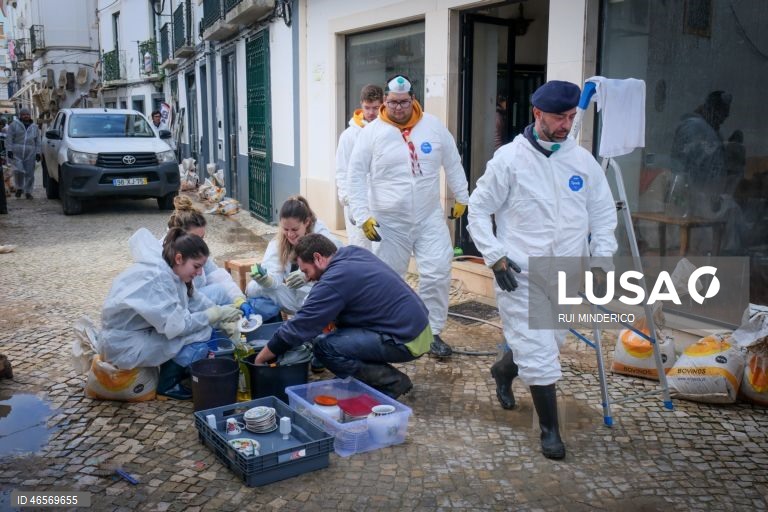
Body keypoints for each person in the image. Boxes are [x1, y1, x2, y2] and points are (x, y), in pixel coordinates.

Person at [467, 80, 618, 459]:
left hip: (567, 271)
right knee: (538, 351)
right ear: (537, 114)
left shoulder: (582, 162)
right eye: (559, 117)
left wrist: (601, 261)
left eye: (571, 117)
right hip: (522, 272)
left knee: (551, 342)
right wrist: (495, 256)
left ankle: (504, 370)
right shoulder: (509, 160)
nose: (567, 125)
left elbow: (602, 214)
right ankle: (550, 431)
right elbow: (478, 210)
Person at [347, 74, 470, 358]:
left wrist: (462, 196)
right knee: (388, 279)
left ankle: (432, 332)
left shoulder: (433, 126)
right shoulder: (371, 133)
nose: (398, 108)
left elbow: (453, 162)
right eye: (392, 102)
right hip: (389, 222)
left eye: (403, 102)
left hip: (428, 218)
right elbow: (355, 175)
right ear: (385, 101)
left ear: (413, 99)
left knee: (438, 272)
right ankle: (389, 329)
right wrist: (362, 215)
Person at [254, 233, 432, 398]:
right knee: (330, 331)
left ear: (318, 258)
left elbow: (300, 325)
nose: (307, 278)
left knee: (325, 347)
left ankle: (391, 383)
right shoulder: (352, 253)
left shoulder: (334, 280)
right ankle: (361, 378)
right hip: (418, 327)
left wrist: (261, 358)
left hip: (406, 339)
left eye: (306, 271)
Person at [100, 227, 243, 399]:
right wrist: (214, 315)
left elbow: (196, 300)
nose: (199, 273)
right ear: (179, 258)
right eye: (196, 266)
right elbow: (178, 326)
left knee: (204, 327)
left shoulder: (173, 270)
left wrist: (221, 318)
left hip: (138, 333)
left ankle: (179, 368)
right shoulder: (157, 279)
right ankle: (167, 384)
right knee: (201, 333)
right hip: (124, 344)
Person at [246, 195, 342, 315]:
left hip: (321, 297)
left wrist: (308, 275)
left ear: (307, 222)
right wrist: (267, 281)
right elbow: (273, 274)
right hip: (296, 298)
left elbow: (340, 265)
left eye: (295, 229)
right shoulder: (278, 243)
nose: (290, 235)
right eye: (286, 229)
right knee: (253, 288)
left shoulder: (322, 237)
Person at [165, 195, 255, 318]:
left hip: (191, 306)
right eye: (196, 238)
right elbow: (180, 315)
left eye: (202, 238)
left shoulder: (193, 250)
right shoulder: (164, 258)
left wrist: (238, 299)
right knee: (218, 293)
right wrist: (216, 316)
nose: (200, 243)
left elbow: (217, 275)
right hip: (178, 312)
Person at [335, 84, 384, 249]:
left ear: (383, 105)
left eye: (375, 108)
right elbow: (342, 170)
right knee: (360, 249)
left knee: (383, 251)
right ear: (361, 105)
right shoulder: (349, 136)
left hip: (383, 203)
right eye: (367, 108)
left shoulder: (389, 132)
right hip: (358, 202)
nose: (371, 112)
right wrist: (349, 203)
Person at [6, 108, 41, 200]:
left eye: (27, 114)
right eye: (24, 114)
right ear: (20, 116)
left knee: (30, 173)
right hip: (16, 152)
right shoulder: (14, 125)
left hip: (30, 153)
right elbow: (9, 138)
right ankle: (19, 188)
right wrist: (9, 150)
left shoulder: (34, 127)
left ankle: (28, 192)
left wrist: (38, 152)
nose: (26, 116)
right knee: (18, 171)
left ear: (30, 115)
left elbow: (38, 141)